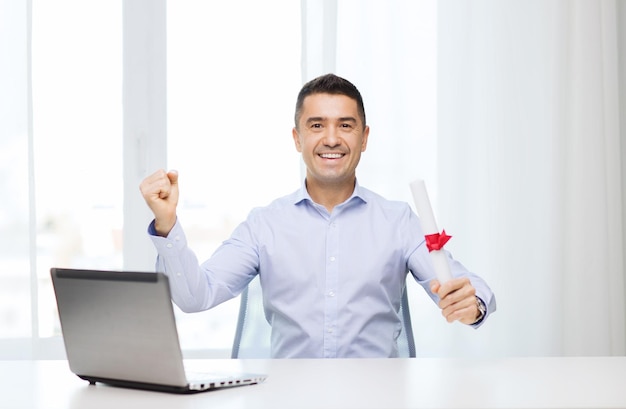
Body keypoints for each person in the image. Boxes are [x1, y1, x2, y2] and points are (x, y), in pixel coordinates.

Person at [140, 73, 496, 358]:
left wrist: (472, 304)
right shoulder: (264, 225)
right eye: (316, 126)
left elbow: (466, 287)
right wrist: (167, 225)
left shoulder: (398, 221)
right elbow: (194, 296)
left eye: (345, 125)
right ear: (297, 138)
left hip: (376, 399)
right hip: (288, 398)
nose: (331, 139)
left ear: (364, 136)